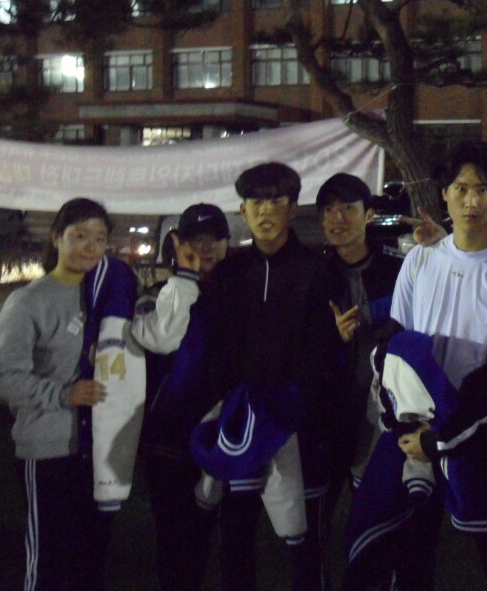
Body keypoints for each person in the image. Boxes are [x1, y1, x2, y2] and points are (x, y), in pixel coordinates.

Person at [345, 141, 487, 591]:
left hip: (474, 437)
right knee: (410, 553)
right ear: (445, 193)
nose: (471, 201)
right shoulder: (420, 258)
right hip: (412, 434)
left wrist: (441, 438)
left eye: (483, 189)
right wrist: (403, 424)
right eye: (461, 188)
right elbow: (394, 345)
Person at [204, 162, 343, 591]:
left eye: (277, 200)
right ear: (242, 209)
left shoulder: (318, 270)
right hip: (241, 424)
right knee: (235, 539)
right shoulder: (227, 273)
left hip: (301, 427)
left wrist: (299, 406)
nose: (265, 210)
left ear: (293, 208)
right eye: (256, 201)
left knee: (305, 543)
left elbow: (326, 350)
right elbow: (213, 348)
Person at [0, 197, 138, 591]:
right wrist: (63, 394)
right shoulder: (28, 301)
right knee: (49, 560)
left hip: (97, 451)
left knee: (91, 559)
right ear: (56, 237)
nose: (91, 247)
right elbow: (4, 377)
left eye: (100, 239)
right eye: (80, 236)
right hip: (48, 450)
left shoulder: (108, 296)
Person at [129, 203, 230, 591]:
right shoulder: (156, 296)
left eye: (214, 238)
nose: (205, 247)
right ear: (177, 244)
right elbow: (161, 338)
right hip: (167, 440)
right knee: (172, 538)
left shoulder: (239, 296)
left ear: (227, 243)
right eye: (195, 239)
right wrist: (185, 277)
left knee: (211, 538)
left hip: (223, 436)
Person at [318, 174, 403, 503]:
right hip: (330, 408)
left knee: (374, 502)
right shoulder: (317, 275)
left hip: (382, 405)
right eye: (329, 210)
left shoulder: (397, 270)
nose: (337, 218)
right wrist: (334, 335)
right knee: (321, 502)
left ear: (368, 215)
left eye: (347, 208)